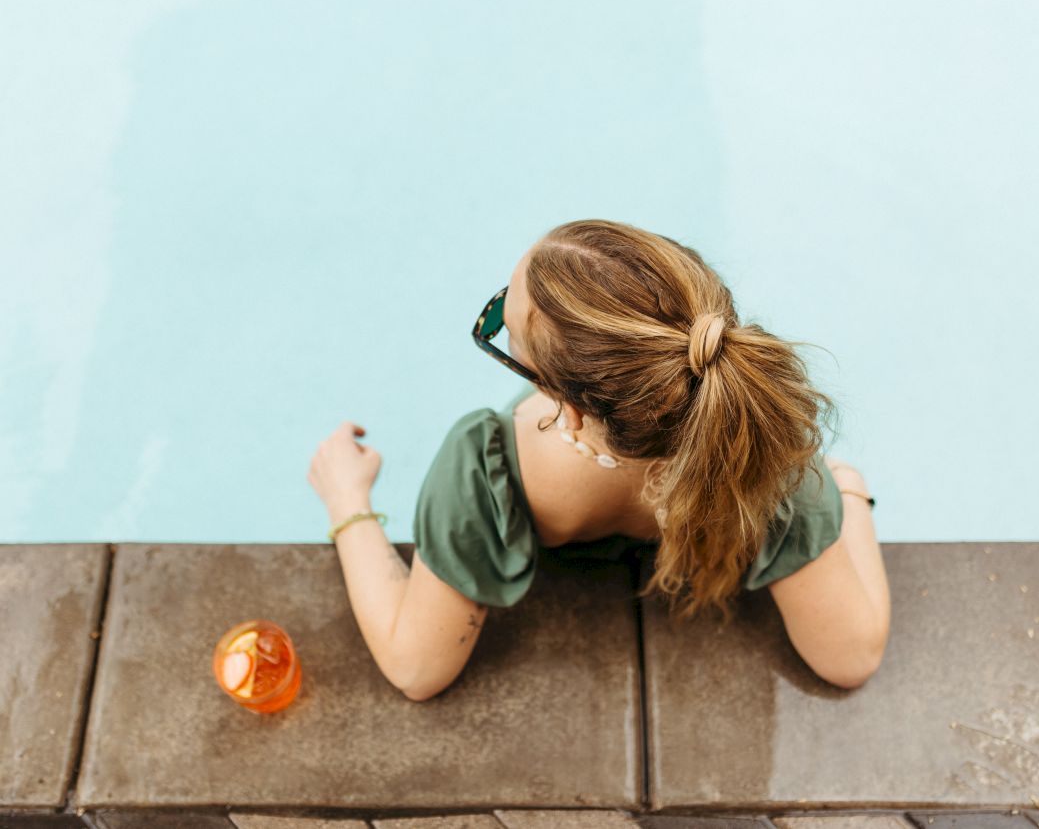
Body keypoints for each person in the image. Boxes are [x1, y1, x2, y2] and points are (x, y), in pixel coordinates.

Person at [309, 218, 890, 701]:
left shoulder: (488, 472)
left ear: (572, 410)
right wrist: (846, 493)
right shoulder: (767, 458)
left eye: (501, 330)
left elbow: (416, 670)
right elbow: (851, 657)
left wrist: (347, 500)